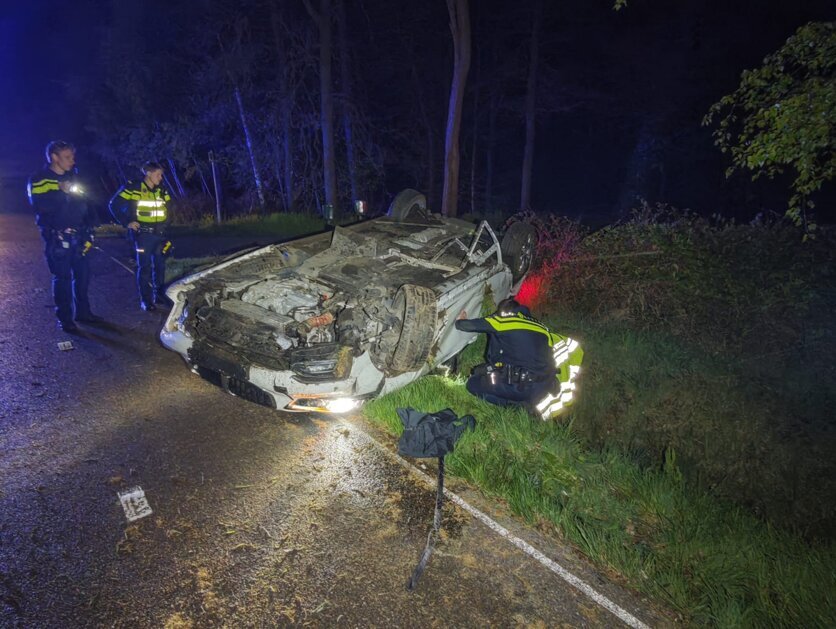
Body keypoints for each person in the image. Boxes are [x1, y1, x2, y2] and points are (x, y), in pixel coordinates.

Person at [454, 298, 583, 419]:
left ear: (504, 313)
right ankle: (528, 404)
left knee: (472, 383)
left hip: (518, 385)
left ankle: (516, 406)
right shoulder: (543, 329)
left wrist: (460, 320)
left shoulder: (504, 322)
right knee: (484, 370)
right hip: (542, 388)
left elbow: (467, 326)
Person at [27, 140, 103, 333]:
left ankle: (83, 313)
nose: (72, 161)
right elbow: (40, 205)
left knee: (83, 277)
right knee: (62, 279)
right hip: (57, 238)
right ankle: (65, 319)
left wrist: (91, 225)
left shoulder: (74, 177)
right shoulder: (40, 179)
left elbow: (85, 203)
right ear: (54, 157)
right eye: (67, 157)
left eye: (72, 156)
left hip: (79, 236)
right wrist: (61, 192)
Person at [109, 162, 173, 311]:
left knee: (160, 266)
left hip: (160, 235)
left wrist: (166, 226)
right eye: (158, 174)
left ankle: (159, 295)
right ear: (148, 173)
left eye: (161, 175)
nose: (161, 178)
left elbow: (169, 208)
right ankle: (146, 300)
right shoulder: (133, 188)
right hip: (143, 235)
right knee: (144, 268)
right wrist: (127, 222)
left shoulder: (162, 190)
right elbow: (114, 205)